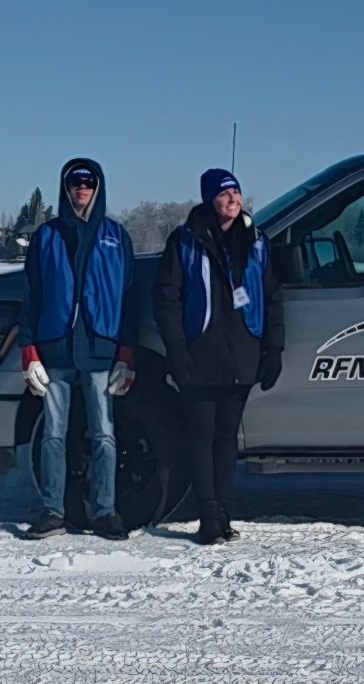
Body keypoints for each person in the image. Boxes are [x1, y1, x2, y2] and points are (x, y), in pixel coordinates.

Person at [153, 168, 285, 545]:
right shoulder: (185, 241)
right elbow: (167, 299)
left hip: (243, 352)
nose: (233, 200)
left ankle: (224, 510)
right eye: (225, 194)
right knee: (201, 434)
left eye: (237, 193)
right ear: (210, 199)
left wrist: (273, 348)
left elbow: (273, 298)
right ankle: (207, 512)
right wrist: (177, 349)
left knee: (227, 436)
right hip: (199, 353)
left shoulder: (257, 242)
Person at [20, 159, 137, 541]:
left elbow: (129, 298)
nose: (81, 188)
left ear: (98, 187)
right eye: (75, 182)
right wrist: (28, 350)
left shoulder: (116, 236)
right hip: (55, 350)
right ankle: (53, 511)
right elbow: (31, 296)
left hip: (101, 349)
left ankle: (106, 511)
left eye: (88, 181)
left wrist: (127, 353)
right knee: (53, 434)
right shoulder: (46, 236)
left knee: (104, 434)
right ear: (65, 188)